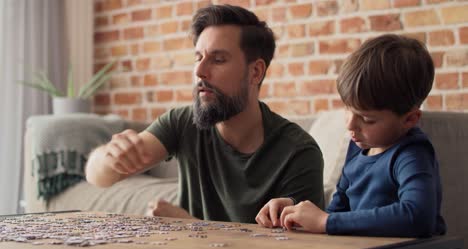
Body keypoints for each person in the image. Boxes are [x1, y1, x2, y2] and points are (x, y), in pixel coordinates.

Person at [85, 4, 324, 223]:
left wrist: (193, 227)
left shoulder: (298, 153)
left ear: (255, 72)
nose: (200, 71)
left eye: (218, 60)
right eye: (198, 58)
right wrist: (109, 157)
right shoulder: (182, 123)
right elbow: (99, 177)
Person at [256, 34, 447, 237]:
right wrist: (294, 213)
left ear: (409, 119)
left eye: (367, 119)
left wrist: (326, 221)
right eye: (347, 109)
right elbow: (336, 214)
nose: (350, 124)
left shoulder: (412, 154)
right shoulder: (358, 148)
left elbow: (418, 217)